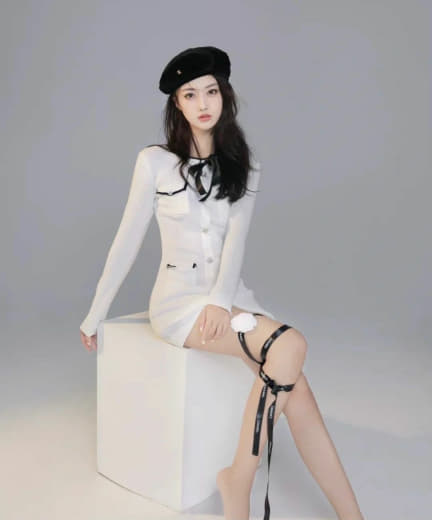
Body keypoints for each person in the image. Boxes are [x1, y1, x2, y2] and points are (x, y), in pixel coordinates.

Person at [79, 46, 365, 520]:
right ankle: (240, 481)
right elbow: (126, 241)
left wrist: (219, 300)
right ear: (177, 104)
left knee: (299, 388)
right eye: (190, 94)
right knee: (291, 346)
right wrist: (94, 315)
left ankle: (348, 514)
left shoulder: (244, 163)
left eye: (211, 91)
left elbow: (236, 243)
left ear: (224, 95)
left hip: (228, 299)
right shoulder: (154, 162)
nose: (203, 103)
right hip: (177, 306)